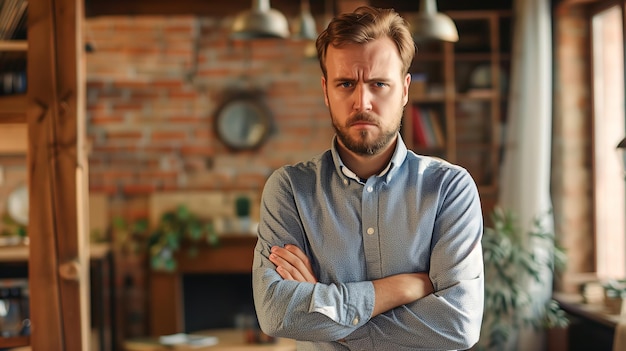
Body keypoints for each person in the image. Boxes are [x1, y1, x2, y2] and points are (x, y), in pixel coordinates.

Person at [252, 6, 484, 350]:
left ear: (404, 90)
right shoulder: (289, 190)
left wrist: (329, 315)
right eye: (346, 83)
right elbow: (276, 313)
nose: (363, 101)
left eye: (379, 84)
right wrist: (400, 289)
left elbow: (459, 324)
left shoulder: (450, 188)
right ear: (326, 90)